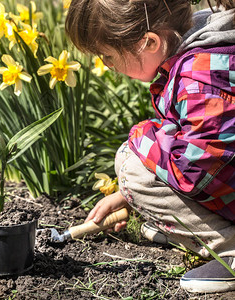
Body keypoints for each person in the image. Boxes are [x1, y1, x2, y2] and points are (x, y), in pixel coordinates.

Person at [65, 0, 235, 294]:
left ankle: (229, 248)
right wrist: (130, 197)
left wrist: (141, 134)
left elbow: (193, 171)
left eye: (108, 56)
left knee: (132, 165)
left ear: (150, 42)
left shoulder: (199, 76)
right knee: (136, 169)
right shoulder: (203, 51)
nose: (107, 65)